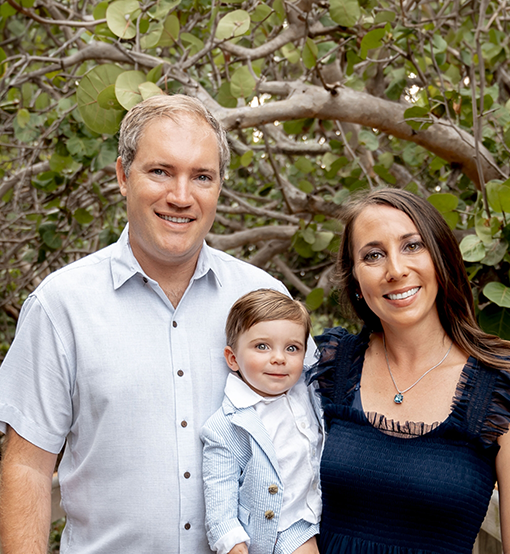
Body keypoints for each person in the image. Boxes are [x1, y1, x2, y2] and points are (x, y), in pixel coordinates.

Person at [0, 94, 303, 554]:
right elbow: (27, 469)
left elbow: (298, 445)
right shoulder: (60, 306)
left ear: (219, 185)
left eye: (201, 177)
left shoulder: (264, 299)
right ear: (123, 175)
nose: (181, 197)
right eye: (160, 171)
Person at [308, 188, 510, 554]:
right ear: (355, 278)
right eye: (373, 255)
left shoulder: (507, 391)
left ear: (441, 257)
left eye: (412, 246)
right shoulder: (327, 366)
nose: (396, 270)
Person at [201, 289, 322, 554]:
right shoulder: (227, 426)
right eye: (262, 346)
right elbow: (220, 491)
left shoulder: (308, 392)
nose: (279, 358)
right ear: (233, 359)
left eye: (292, 348)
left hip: (318, 517)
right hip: (277, 528)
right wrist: (232, 542)